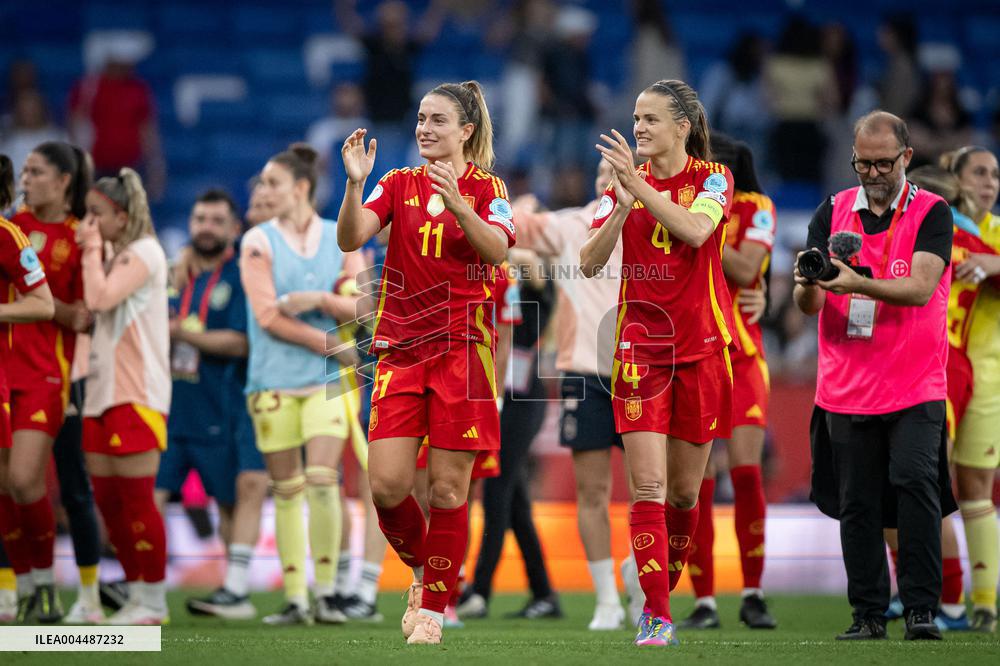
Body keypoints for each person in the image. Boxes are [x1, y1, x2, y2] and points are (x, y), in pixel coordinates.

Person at [337, 79, 515, 645]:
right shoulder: (396, 183)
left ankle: (434, 612)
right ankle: (424, 571)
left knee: (446, 491)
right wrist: (353, 184)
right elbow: (350, 238)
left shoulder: (490, 188)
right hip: (400, 350)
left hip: (463, 352)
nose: (424, 129)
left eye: (438, 120)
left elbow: (498, 250)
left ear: (465, 131)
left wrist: (460, 204)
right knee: (387, 486)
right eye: (420, 119)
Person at [580, 78, 738, 647]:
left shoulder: (714, 180)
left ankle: (657, 587)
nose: (639, 127)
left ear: (684, 127)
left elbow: (696, 230)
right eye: (635, 116)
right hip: (640, 351)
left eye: (650, 119)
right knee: (647, 487)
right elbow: (589, 262)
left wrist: (638, 191)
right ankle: (656, 614)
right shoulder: (625, 187)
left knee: (683, 497)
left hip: (701, 350)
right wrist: (622, 208)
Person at [798, 111, 955, 641]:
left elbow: (919, 288)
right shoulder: (832, 210)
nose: (872, 173)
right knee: (857, 503)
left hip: (914, 383)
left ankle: (920, 610)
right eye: (862, 163)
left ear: (907, 157)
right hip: (846, 383)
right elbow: (808, 302)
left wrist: (853, 283)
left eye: (883, 163)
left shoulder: (934, 212)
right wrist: (809, 282)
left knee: (916, 486)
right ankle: (867, 614)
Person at [240, 143, 363, 625]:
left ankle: (327, 593)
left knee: (322, 479)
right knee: (286, 488)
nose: (263, 191)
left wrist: (315, 299)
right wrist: (333, 343)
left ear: (300, 188)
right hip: (272, 379)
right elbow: (269, 316)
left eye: (271, 182)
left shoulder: (341, 238)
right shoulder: (257, 241)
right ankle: (296, 597)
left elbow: (367, 307)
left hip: (323, 383)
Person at [880, 164, 993, 632]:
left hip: (940, 367)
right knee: (895, 484)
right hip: (898, 366)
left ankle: (949, 601)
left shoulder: (954, 235)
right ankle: (911, 591)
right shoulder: (902, 234)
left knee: (925, 485)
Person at [153, 190, 268, 620]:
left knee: (228, 504)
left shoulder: (239, 275)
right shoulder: (172, 273)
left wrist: (181, 334)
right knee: (149, 498)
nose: (205, 227)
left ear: (233, 229)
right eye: (200, 218)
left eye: (217, 220)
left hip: (218, 407)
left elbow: (241, 342)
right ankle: (144, 590)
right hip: (168, 405)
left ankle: (233, 590)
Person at [683, 135, 777, 630]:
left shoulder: (754, 205)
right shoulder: (681, 198)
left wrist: (696, 231)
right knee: (697, 482)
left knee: (745, 473)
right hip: (697, 353)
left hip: (741, 357)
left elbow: (747, 266)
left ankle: (754, 592)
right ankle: (704, 601)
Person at [6, 142, 101, 624]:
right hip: (6, 371)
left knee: (49, 484)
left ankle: (72, 591)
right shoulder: (11, 227)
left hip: (54, 375)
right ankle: (14, 588)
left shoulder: (78, 235)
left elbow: (86, 316)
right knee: (7, 486)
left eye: (36, 170)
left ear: (63, 180)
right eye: (23, 169)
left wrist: (49, 306)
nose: (25, 177)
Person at [78, 168, 171, 625]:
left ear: (121, 214)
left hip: (137, 392)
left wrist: (90, 248)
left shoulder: (145, 252)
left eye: (97, 216)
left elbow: (98, 298)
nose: (89, 224)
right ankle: (136, 593)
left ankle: (153, 600)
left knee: (137, 499)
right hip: (100, 390)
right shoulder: (115, 252)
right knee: (109, 502)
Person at [457, 251, 561, 623]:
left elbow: (533, 266)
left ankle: (480, 592)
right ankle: (544, 593)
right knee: (515, 504)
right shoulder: (492, 277)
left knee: (496, 493)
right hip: (497, 394)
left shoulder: (536, 285)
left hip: (520, 402)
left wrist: (502, 244)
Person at [944, 146, 1000, 633]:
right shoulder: (942, 226)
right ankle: (940, 596)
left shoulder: (997, 235)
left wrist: (992, 266)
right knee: (929, 482)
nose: (989, 182)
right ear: (957, 179)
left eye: (995, 174)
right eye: (979, 172)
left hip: (989, 378)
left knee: (975, 489)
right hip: (940, 368)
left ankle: (983, 602)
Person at [0, 153, 55, 623]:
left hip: (31, 375)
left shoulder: (8, 237)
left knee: (18, 481)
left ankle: (38, 584)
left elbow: (44, 304)